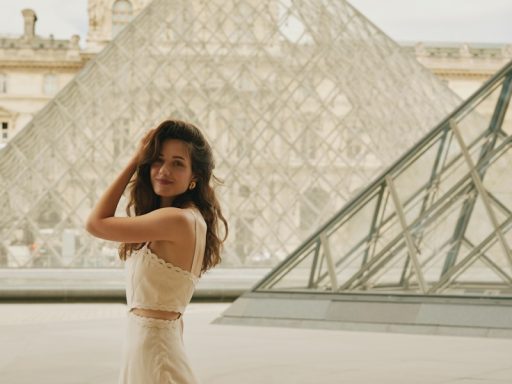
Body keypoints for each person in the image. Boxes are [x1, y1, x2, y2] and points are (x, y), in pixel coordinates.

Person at [86, 119, 228, 383]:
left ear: (194, 176)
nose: (164, 170)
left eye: (178, 163)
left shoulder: (177, 220)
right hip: (153, 348)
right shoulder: (188, 218)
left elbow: (95, 223)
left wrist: (133, 161)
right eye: (157, 160)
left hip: (153, 353)